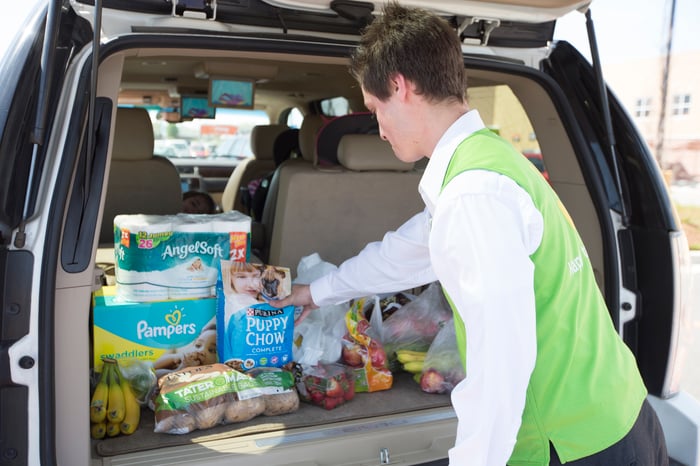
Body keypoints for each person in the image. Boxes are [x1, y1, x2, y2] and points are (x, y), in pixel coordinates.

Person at [270, 3, 669, 465]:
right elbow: (404, 253)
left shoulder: (473, 194)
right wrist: (315, 293)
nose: (377, 128)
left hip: (573, 442)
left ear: (400, 86)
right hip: (615, 415)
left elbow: (501, 360)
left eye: (375, 107)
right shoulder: (486, 162)